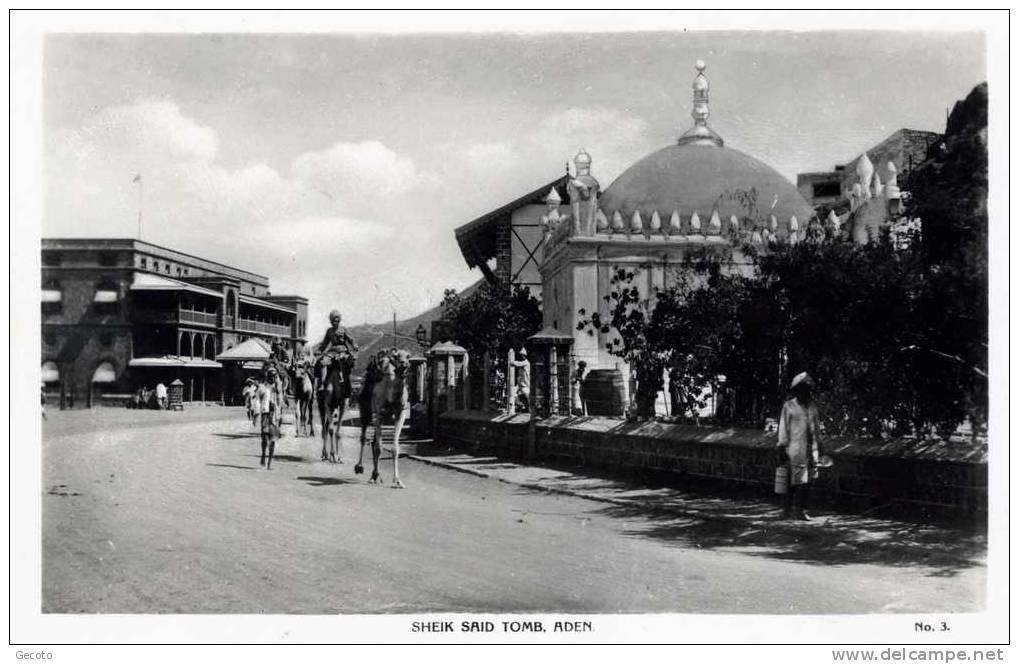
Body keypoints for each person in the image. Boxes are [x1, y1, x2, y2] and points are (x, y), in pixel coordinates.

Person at [776, 372, 823, 521]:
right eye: (803, 389)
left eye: (808, 389)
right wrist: (782, 445)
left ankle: (801, 510)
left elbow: (816, 428)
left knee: (808, 482)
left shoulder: (813, 408)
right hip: (795, 448)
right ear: (797, 390)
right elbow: (783, 426)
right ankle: (787, 509)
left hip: (811, 448)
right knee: (794, 481)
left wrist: (819, 445)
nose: (806, 392)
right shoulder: (789, 406)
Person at [314, 310, 359, 390]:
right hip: (331, 351)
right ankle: (322, 383)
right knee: (323, 362)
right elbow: (325, 343)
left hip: (342, 351)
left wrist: (354, 346)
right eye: (333, 321)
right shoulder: (329, 331)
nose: (335, 322)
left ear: (339, 320)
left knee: (343, 361)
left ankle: (344, 380)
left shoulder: (343, 329)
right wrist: (319, 350)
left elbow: (351, 339)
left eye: (336, 320)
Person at [510, 347, 530, 412]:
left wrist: (511, 361)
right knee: (513, 393)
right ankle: (522, 405)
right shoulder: (523, 363)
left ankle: (527, 407)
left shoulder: (525, 362)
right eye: (521, 355)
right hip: (520, 383)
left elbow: (515, 363)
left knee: (526, 396)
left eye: (523, 355)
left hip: (525, 383)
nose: (522, 356)